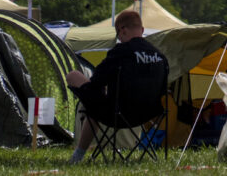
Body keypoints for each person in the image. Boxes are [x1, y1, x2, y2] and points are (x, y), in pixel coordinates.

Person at [66, 10, 169, 164]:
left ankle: (78, 155)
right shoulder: (160, 56)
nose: (119, 39)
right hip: (149, 114)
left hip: (119, 114)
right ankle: (79, 152)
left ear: (122, 30)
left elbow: (96, 82)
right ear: (141, 30)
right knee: (95, 102)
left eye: (118, 35)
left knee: (74, 76)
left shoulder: (120, 52)